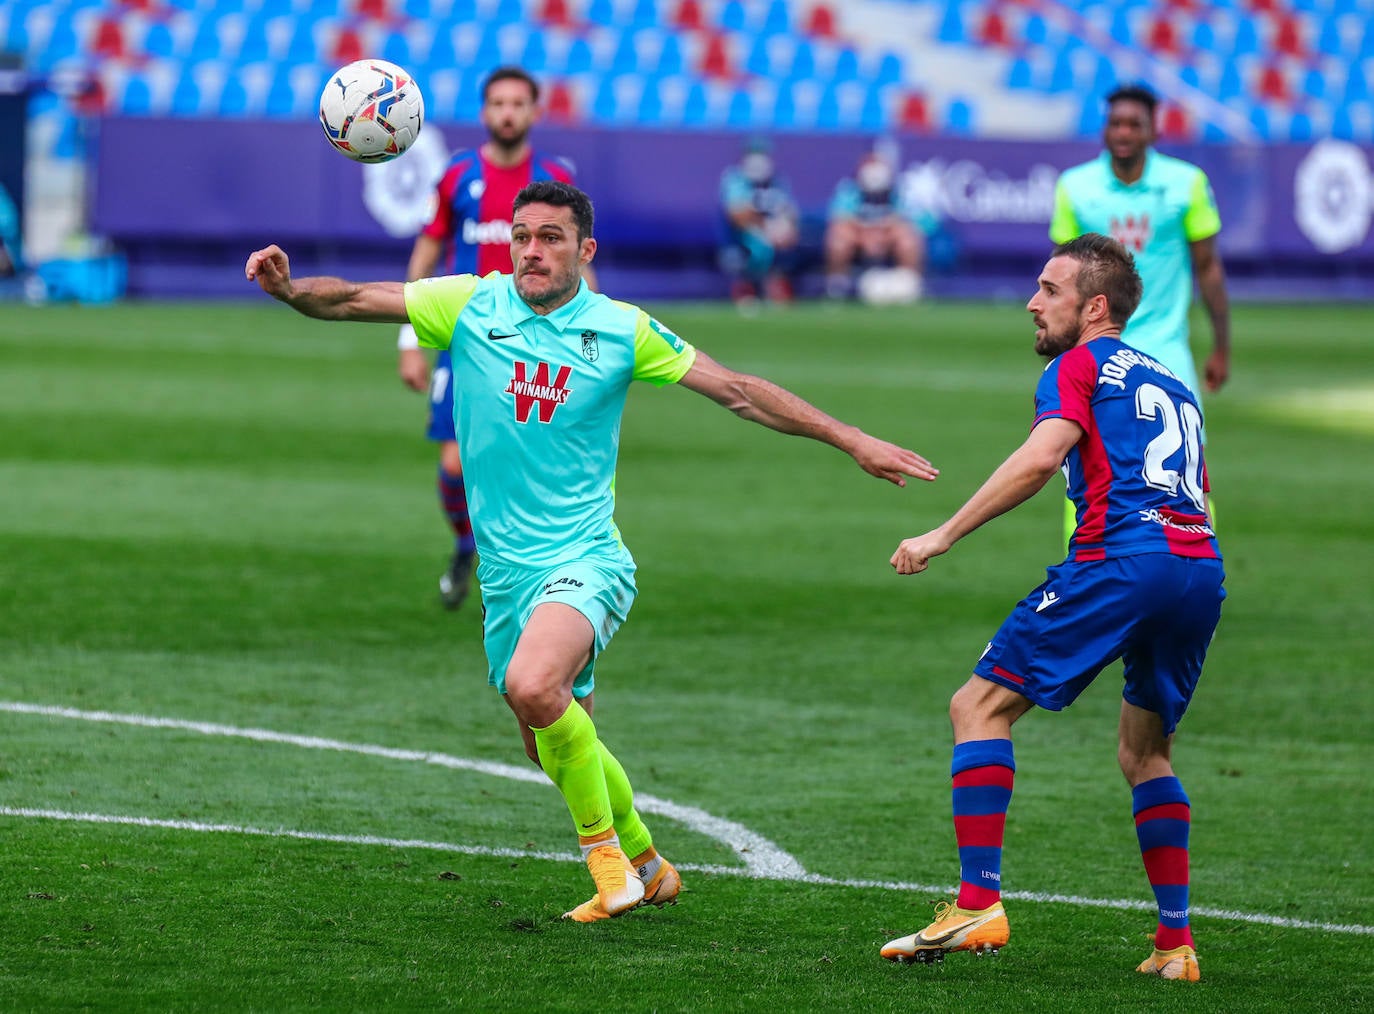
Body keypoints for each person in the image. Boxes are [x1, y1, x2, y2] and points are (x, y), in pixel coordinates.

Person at [247, 180, 938, 923]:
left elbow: (736, 390)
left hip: (586, 560)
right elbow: (352, 299)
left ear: (586, 249)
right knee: (546, 739)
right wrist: (291, 292)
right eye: (520, 236)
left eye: (549, 237)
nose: (531, 251)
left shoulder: (619, 329)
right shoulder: (472, 305)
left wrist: (851, 438)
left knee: (535, 686)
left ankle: (608, 865)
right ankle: (650, 863)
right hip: (508, 576)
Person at [880, 234, 1224, 982]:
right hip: (1199, 567)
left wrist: (942, 533)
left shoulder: (1081, 363)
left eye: (1049, 289)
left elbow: (1042, 458)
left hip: (1123, 561)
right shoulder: (1168, 377)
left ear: (1093, 307)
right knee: (1145, 754)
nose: (1033, 302)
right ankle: (1175, 945)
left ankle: (977, 903)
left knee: (978, 707)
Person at [396, 65, 596, 610]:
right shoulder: (457, 175)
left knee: (526, 468)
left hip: (537, 343)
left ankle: (531, 574)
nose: (507, 113)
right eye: (498, 103)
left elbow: (576, 259)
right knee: (454, 466)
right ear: (485, 112)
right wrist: (408, 338)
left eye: (518, 103)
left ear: (534, 111)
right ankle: (467, 547)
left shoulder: (555, 177)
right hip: (466, 340)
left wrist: (594, 329)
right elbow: (428, 250)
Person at [1049, 83, 1232, 543]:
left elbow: (1208, 269)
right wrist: (1056, 345)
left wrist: (1221, 346)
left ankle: (1198, 561)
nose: (1124, 132)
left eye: (1135, 123)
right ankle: (1082, 566)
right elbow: (1061, 278)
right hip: (1096, 350)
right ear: (1104, 129)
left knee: (1186, 469)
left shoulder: (1185, 183)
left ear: (1154, 130)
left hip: (1167, 349)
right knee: (1086, 467)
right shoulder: (1075, 186)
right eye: (1116, 123)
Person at [822, 150, 929, 303]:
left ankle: (910, 285)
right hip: (858, 240)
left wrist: (883, 234)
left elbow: (913, 221)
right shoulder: (849, 191)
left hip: (887, 240)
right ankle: (837, 287)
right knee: (839, 241)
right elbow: (840, 221)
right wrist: (865, 237)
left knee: (908, 240)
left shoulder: (898, 193)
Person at [718, 137, 801, 306]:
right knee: (759, 247)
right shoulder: (735, 180)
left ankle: (777, 286)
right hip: (742, 235)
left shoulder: (777, 181)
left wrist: (786, 227)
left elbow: (790, 210)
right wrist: (765, 228)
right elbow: (736, 215)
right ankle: (748, 288)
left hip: (774, 231)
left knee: (790, 242)